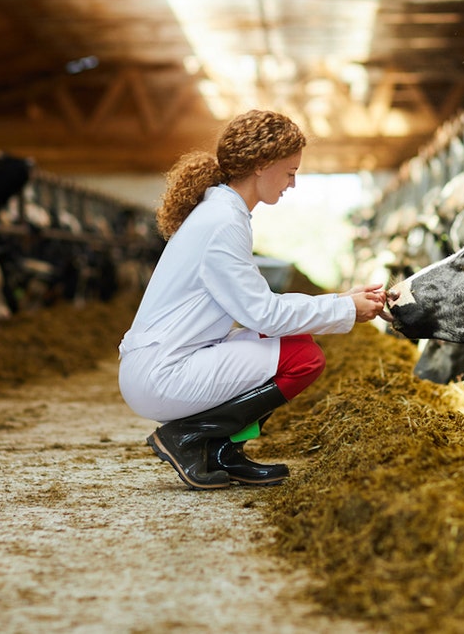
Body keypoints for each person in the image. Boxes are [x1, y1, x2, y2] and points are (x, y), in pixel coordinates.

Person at [117, 109, 386, 490]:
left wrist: (343, 298)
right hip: (163, 374)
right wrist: (344, 309)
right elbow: (264, 314)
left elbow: (257, 304)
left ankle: (223, 452)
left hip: (166, 360)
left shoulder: (223, 213)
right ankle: (190, 437)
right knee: (304, 358)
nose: (292, 184)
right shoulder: (223, 222)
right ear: (262, 165)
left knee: (297, 344)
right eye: (290, 172)